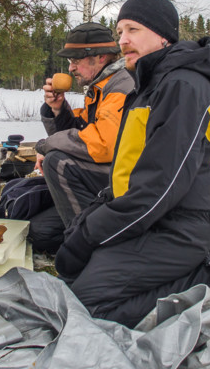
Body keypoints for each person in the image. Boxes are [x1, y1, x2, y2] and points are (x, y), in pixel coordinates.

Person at [54, 0, 210, 328]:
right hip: (149, 220)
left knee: (84, 310)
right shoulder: (149, 87)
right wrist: (90, 220)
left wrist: (93, 233)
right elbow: (130, 171)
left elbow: (160, 190)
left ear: (162, 35)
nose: (122, 40)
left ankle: (202, 280)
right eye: (120, 30)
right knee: (73, 277)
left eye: (133, 29)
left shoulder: (184, 87)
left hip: (177, 229)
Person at [29, 22, 134, 252]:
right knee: (39, 233)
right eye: (70, 62)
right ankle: (84, 232)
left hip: (127, 184)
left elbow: (103, 144)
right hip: (104, 177)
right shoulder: (100, 87)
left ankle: (90, 249)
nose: (70, 69)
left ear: (101, 58)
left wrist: (46, 146)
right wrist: (57, 109)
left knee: (59, 162)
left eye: (75, 60)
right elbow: (82, 129)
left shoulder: (121, 85)